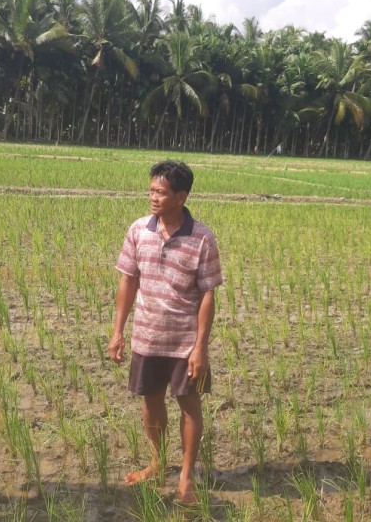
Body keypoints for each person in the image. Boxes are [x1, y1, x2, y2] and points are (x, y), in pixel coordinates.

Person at [108, 160, 223, 505]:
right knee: (151, 403)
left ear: (181, 196)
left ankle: (186, 477)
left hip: (184, 342)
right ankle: (157, 463)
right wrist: (118, 331)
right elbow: (128, 279)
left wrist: (200, 348)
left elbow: (207, 294)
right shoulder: (138, 230)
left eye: (161, 192)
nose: (153, 197)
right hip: (147, 337)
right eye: (151, 190)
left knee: (190, 406)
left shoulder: (202, 238)